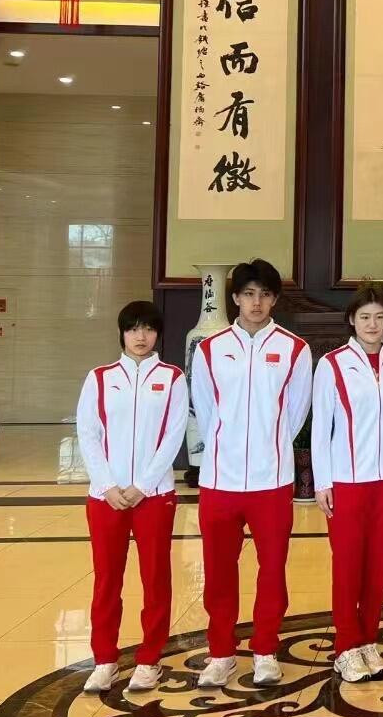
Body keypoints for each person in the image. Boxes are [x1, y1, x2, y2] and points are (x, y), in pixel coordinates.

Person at [190, 259, 312, 690]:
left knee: (272, 569)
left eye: (264, 294)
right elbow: (206, 410)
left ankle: (265, 650)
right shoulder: (210, 348)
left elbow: (295, 413)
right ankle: (221, 652)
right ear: (235, 298)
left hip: (270, 481)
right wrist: (227, 447)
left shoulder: (295, 349)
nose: (256, 302)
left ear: (274, 299)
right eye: (248, 294)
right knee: (219, 570)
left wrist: (267, 445)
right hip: (220, 481)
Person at [76, 301, 188, 694]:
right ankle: (104, 659)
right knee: (107, 579)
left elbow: (174, 435)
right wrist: (107, 485)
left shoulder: (173, 378)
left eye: (148, 329)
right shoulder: (100, 378)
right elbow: (88, 434)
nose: (141, 337)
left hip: (153, 496)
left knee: (155, 578)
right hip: (105, 498)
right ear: (122, 333)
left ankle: (149, 659)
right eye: (133, 329)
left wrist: (142, 485)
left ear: (158, 334)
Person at [313, 284, 383, 683]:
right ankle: (346, 646)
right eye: (365, 317)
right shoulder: (333, 364)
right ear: (352, 320)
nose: (373, 324)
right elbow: (321, 426)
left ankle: (368, 638)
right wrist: (322, 481)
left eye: (380, 316)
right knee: (348, 566)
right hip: (348, 480)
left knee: (380, 565)